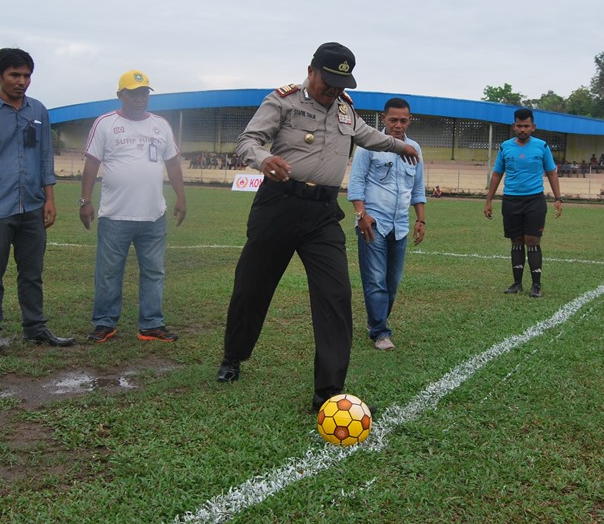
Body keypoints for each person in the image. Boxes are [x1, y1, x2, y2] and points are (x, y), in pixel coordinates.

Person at [217, 42, 421, 412]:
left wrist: (398, 145)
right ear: (311, 71)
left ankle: (328, 390)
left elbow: (366, 136)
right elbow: (247, 140)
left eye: (341, 84)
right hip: (279, 204)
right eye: (328, 82)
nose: (334, 90)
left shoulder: (344, 109)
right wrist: (264, 160)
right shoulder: (283, 101)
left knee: (335, 295)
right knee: (252, 287)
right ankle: (233, 355)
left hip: (323, 214)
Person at [0, 48, 75, 358]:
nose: (21, 81)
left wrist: (49, 199)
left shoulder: (38, 111)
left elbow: (44, 157)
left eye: (26, 75)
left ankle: (35, 327)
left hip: (33, 207)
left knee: (32, 272)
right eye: (14, 75)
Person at [79, 70, 187, 343]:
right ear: (121, 95)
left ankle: (151, 324)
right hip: (115, 215)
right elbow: (91, 163)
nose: (140, 99)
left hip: (154, 215)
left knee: (154, 271)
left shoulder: (160, 125)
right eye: (133, 93)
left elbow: (173, 163)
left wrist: (181, 198)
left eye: (144, 93)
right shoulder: (105, 124)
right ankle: (105, 323)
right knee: (108, 272)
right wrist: (85, 201)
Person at [348, 97, 426, 351]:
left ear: (410, 121)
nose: (398, 125)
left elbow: (418, 189)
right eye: (393, 120)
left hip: (400, 225)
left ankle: (375, 321)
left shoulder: (414, 148)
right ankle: (381, 332)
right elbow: (356, 183)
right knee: (375, 280)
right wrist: (361, 215)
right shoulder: (368, 146)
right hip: (373, 223)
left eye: (403, 120)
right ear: (383, 119)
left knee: (392, 282)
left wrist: (421, 219)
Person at [483, 108, 563, 298]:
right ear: (514, 126)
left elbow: (552, 172)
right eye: (519, 125)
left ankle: (536, 285)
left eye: (526, 126)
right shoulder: (505, 147)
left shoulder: (542, 147)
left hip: (535, 199)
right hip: (511, 200)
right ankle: (517, 283)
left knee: (533, 241)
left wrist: (558, 198)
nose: (523, 129)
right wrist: (488, 201)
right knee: (516, 241)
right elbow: (496, 174)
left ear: (533, 127)